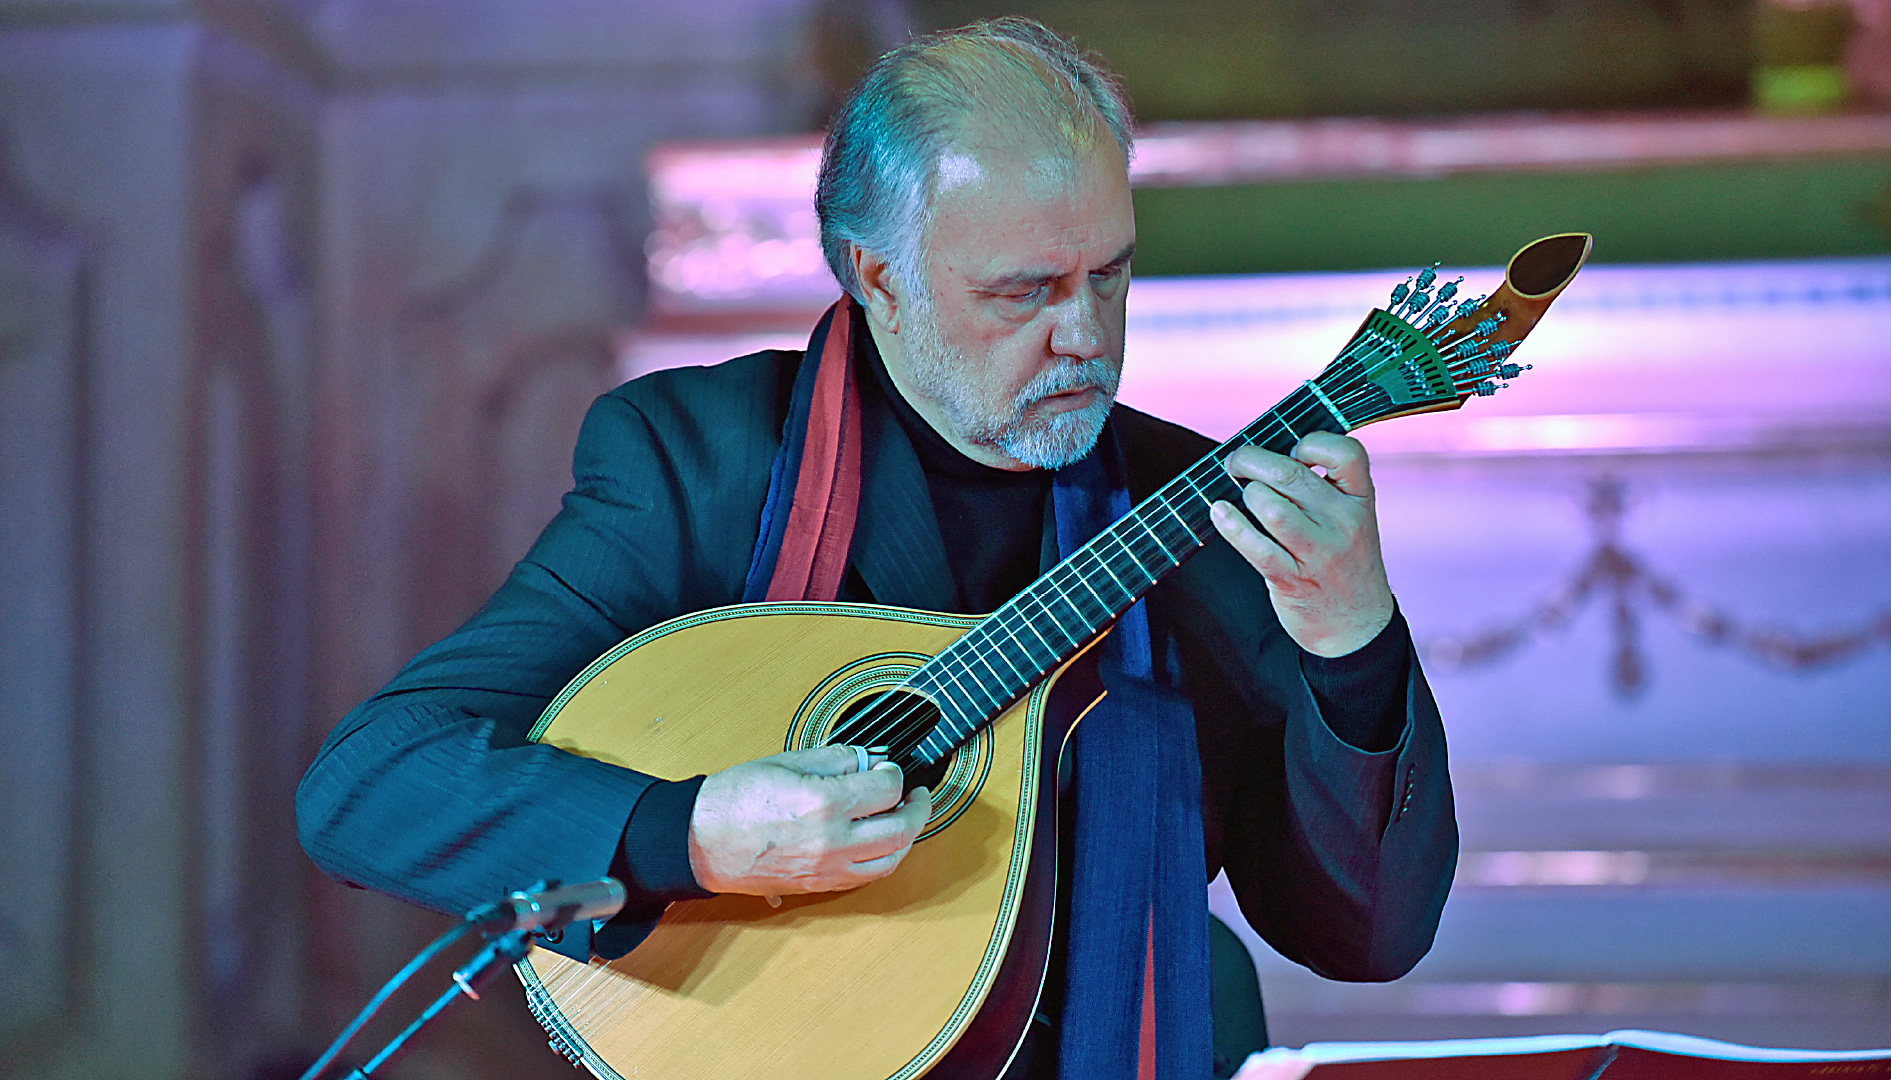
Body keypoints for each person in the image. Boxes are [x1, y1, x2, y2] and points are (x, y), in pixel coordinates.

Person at [297, 17, 1456, 1080]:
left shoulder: (1199, 509)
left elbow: (1362, 938)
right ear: (877, 276)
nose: (1087, 335)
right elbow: (367, 785)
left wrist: (1349, 641)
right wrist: (693, 832)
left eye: (1112, 274)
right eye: (1025, 291)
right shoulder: (699, 464)